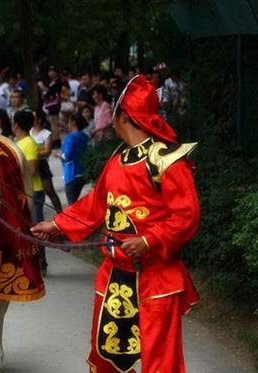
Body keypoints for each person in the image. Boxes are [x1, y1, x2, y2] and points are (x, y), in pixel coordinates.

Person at [31, 75, 200, 373]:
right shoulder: (118, 158)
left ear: (124, 116)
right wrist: (55, 224)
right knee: (106, 358)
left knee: (160, 363)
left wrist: (148, 240)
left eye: (116, 114)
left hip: (155, 279)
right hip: (113, 278)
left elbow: (186, 217)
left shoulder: (167, 161)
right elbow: (95, 203)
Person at [12, 110, 45, 225]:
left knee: (36, 228)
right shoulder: (18, 142)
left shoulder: (29, 143)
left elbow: (33, 170)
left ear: (15, 124)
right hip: (26, 191)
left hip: (34, 191)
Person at [53, 112, 90, 204]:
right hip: (83, 171)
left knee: (72, 204)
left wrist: (58, 154)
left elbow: (67, 156)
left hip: (72, 173)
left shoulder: (70, 137)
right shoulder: (85, 136)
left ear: (73, 123)